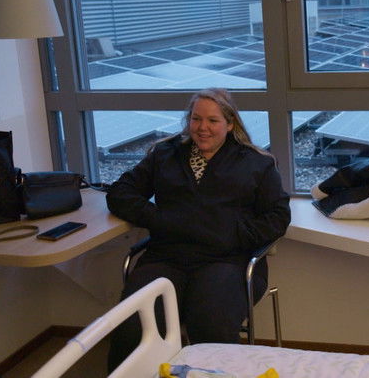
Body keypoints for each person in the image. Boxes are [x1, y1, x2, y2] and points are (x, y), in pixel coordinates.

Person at [105, 88, 291, 371]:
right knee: (134, 323)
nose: (203, 128)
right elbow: (120, 193)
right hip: (167, 258)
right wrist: (160, 219)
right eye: (196, 119)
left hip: (228, 260)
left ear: (230, 123)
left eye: (213, 120)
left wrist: (232, 234)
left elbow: (278, 216)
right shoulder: (165, 155)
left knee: (210, 323)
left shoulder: (256, 162)